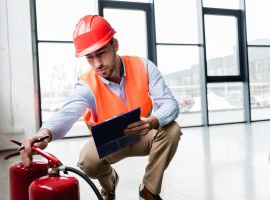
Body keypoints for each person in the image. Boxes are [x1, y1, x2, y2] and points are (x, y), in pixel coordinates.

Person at [20, 15, 182, 200]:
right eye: (90, 57)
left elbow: (170, 103)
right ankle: (109, 184)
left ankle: (149, 190)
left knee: (172, 129)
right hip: (109, 143)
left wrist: (152, 121)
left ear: (115, 45)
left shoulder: (144, 66)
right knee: (87, 161)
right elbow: (66, 114)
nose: (97, 63)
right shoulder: (87, 85)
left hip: (142, 134)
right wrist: (43, 134)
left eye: (101, 53)